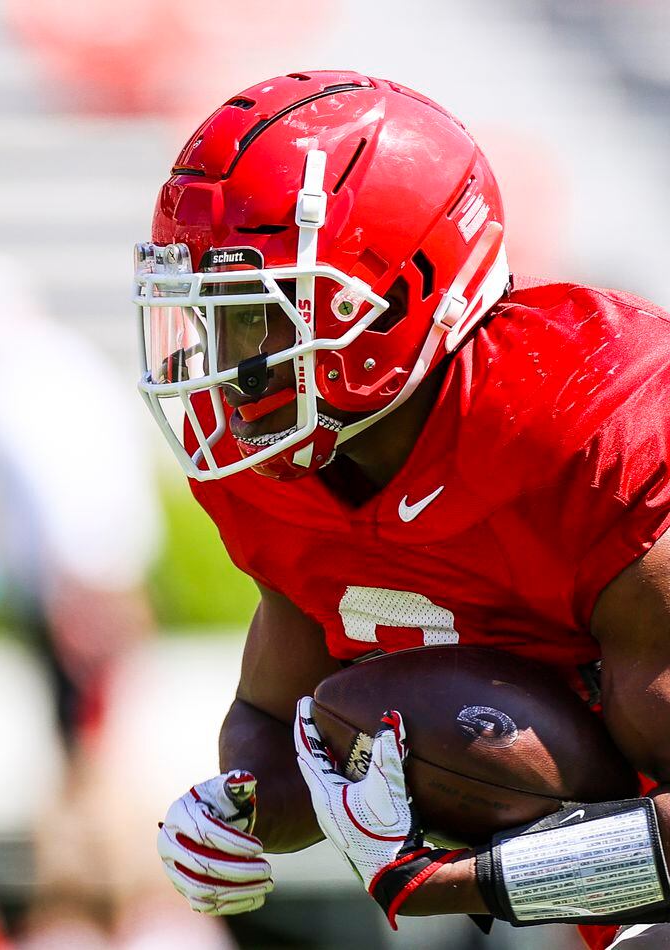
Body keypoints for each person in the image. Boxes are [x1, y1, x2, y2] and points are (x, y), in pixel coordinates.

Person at [137, 70, 670, 950]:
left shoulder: (593, 427)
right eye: (211, 313)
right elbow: (284, 719)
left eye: (256, 314)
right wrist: (235, 810)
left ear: (392, 297)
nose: (223, 359)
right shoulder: (276, 471)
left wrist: (454, 885)